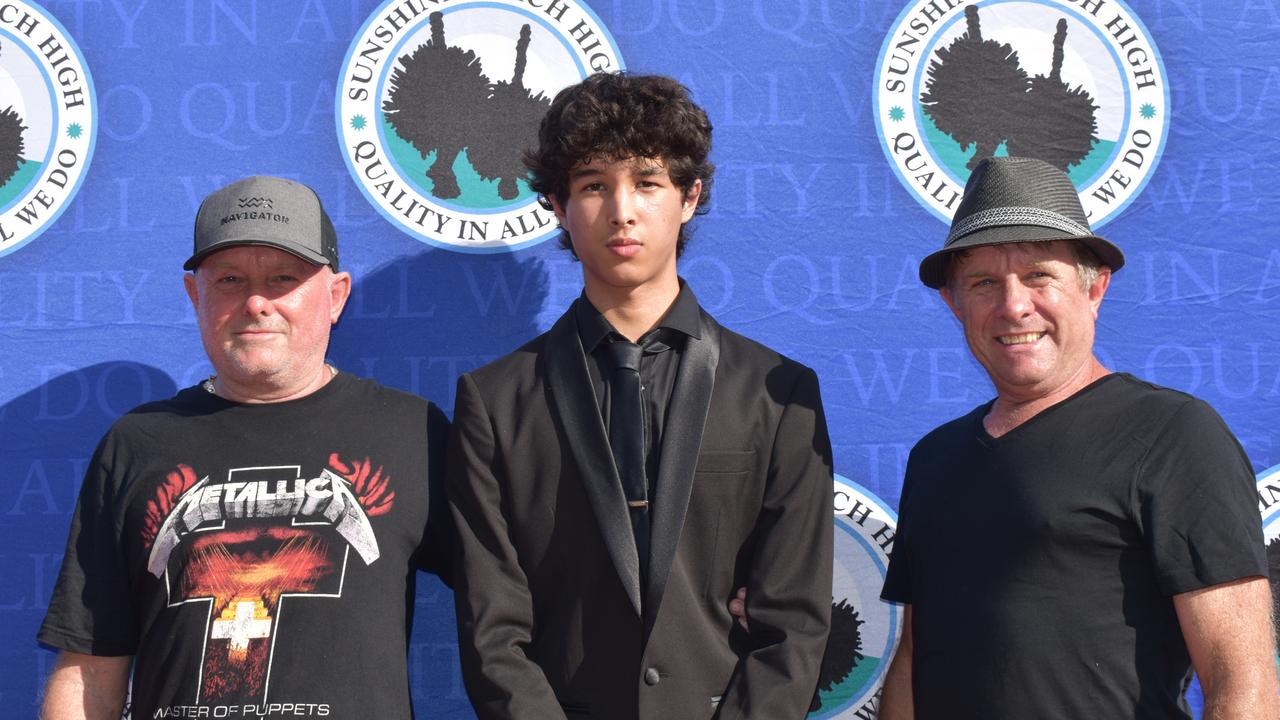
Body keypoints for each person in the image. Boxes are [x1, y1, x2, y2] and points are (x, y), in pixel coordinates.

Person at [446, 72, 833, 720]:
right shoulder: (495, 403)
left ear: (689, 197)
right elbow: (493, 633)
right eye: (594, 185)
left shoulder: (780, 395)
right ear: (556, 206)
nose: (621, 210)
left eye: (647, 182)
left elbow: (793, 626)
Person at [878, 156, 1278, 719]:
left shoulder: (1173, 436)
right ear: (954, 303)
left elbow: (1243, 684)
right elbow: (915, 660)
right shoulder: (934, 458)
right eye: (985, 282)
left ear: (1095, 290)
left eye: (1039, 275)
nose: (1014, 305)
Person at [37, 176, 451, 719]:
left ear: (335, 295)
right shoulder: (136, 443)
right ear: (195, 295)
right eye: (230, 279)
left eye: (284, 278)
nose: (256, 302)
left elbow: (511, 609)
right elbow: (91, 666)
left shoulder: (410, 431)